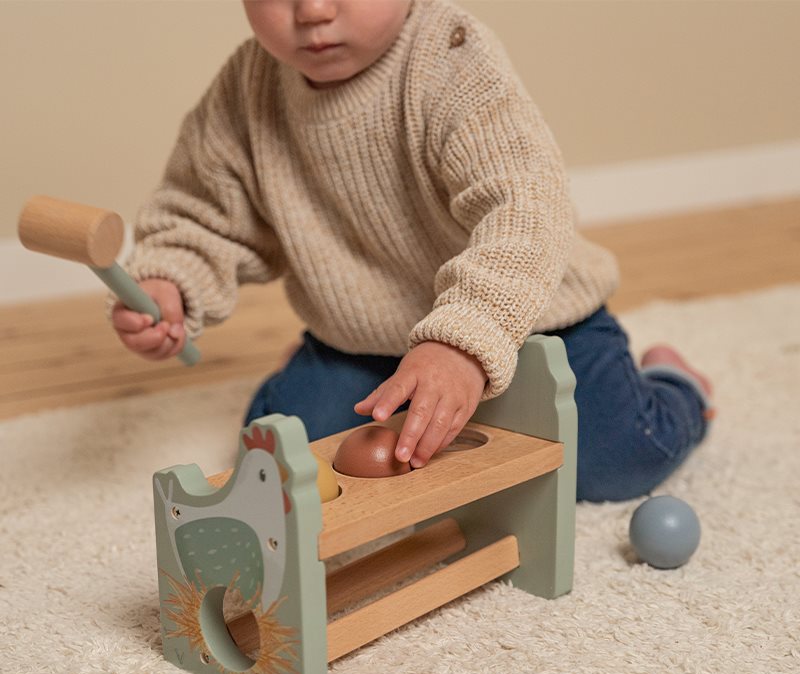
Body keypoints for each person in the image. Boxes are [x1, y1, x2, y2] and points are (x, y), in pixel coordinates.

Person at [111, 0, 713, 502]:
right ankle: (314, 363)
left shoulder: (450, 58)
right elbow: (203, 214)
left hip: (528, 318)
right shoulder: (246, 90)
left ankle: (676, 383)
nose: (313, 11)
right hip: (366, 338)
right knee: (286, 458)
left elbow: (525, 207)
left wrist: (461, 342)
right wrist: (172, 283)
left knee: (620, 456)